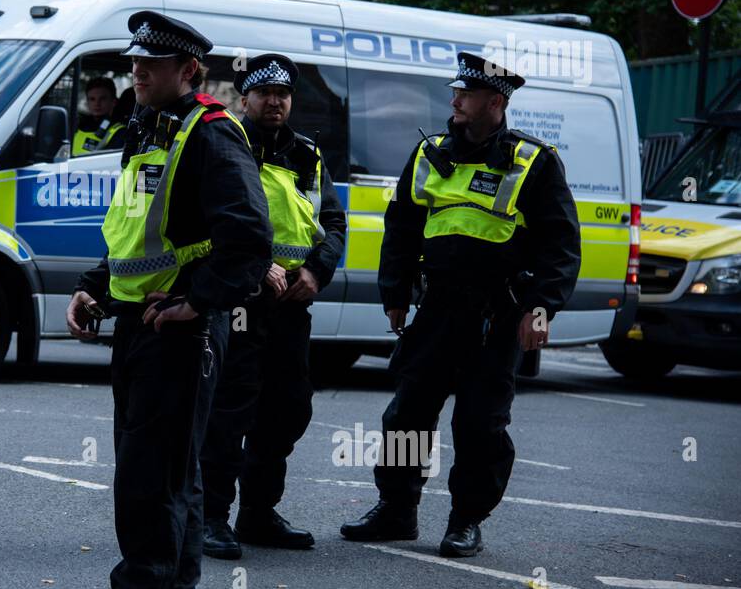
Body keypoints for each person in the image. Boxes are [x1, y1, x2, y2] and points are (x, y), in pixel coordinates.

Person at [66, 11, 271, 589]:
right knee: (169, 481)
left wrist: (199, 301)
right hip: (138, 328)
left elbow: (250, 239)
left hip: (177, 336)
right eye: (134, 62)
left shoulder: (209, 133)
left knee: (147, 488)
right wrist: (95, 286)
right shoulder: (148, 128)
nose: (137, 71)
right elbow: (137, 232)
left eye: (150, 65)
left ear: (188, 71)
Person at [340, 52, 580, 557]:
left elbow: (560, 246)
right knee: (407, 414)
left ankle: (466, 519)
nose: (454, 102)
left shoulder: (534, 161)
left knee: (480, 424)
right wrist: (395, 292)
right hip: (438, 309)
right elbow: (402, 225)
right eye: (455, 94)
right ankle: (396, 510)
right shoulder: (429, 154)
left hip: (498, 315)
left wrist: (541, 307)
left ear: (495, 101)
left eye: (465, 96)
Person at [201, 54, 346, 559]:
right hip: (239, 302)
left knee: (287, 409)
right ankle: (211, 517)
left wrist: (315, 271)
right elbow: (209, 219)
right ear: (245, 99)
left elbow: (333, 224)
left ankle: (258, 513)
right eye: (265, 94)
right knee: (229, 410)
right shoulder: (224, 145)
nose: (276, 102)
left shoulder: (308, 154)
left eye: (283, 94)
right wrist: (254, 264)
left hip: (290, 306)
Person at [72, 76, 126, 154]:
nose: (97, 104)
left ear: (114, 102)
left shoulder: (119, 132)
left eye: (103, 99)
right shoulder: (77, 125)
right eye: (92, 99)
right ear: (87, 102)